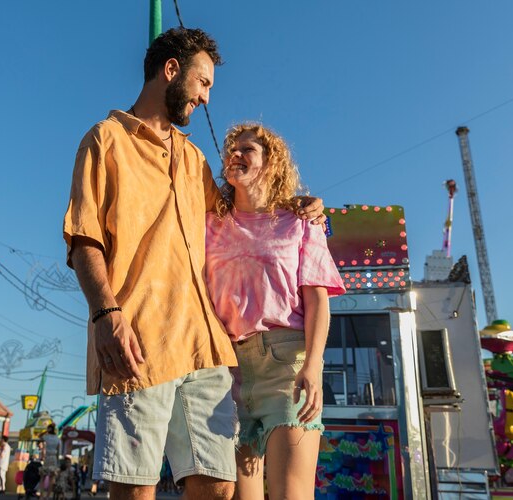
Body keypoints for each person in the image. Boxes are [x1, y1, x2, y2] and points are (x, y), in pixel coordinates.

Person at [63, 27, 326, 500]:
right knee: (136, 488)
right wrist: (105, 314)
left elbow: (243, 216)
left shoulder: (194, 160)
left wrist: (298, 205)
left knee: (219, 486)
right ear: (171, 71)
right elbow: (84, 238)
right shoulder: (105, 141)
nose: (205, 97)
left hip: (206, 349)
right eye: (202, 83)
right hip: (136, 341)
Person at [204, 123, 346, 499]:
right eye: (231, 148)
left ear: (272, 163)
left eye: (247, 149)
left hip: (287, 365)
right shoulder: (208, 223)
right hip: (225, 368)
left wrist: (313, 366)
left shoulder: (301, 223)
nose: (235, 153)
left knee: (291, 494)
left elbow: (317, 300)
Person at [40, 424, 61, 500]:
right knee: (52, 478)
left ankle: (41, 495)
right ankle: (48, 496)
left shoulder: (46, 437)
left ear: (49, 429)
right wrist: (58, 461)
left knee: (43, 477)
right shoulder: (57, 438)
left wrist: (46, 431)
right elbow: (58, 450)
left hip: (47, 457)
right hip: (54, 458)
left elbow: (40, 436)